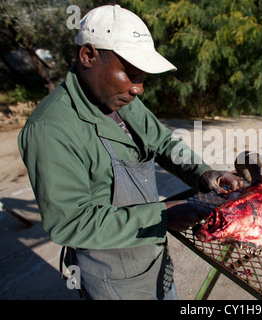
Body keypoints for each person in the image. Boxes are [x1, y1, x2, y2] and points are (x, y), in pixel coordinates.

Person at [17, 4, 243, 300]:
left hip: (152, 259)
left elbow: (163, 142)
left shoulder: (121, 99)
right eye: (131, 73)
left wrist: (202, 173)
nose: (139, 89)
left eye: (142, 77)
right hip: (111, 278)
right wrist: (162, 215)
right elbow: (70, 223)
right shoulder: (51, 129)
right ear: (88, 55)